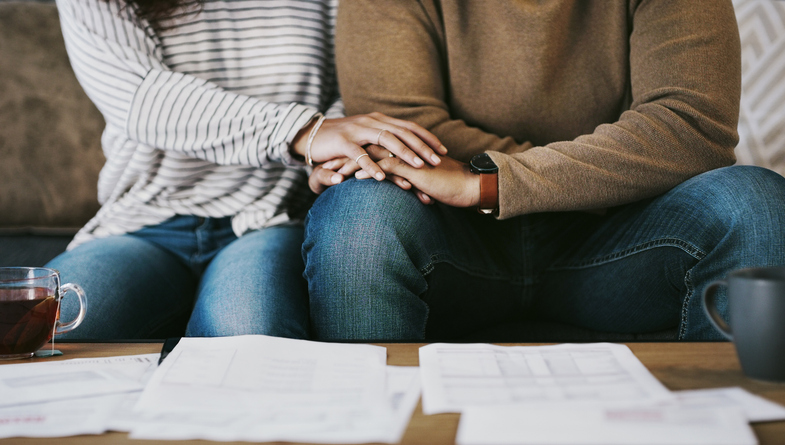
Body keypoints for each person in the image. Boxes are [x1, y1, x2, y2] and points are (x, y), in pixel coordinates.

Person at [302, 0, 785, 341]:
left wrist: (490, 183)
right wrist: (592, 170)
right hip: (449, 238)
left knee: (754, 203)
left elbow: (690, 126)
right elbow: (399, 131)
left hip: (623, 236)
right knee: (357, 215)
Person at [47, 0, 444, 340]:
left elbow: (351, 88)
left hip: (266, 219)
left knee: (249, 338)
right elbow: (141, 99)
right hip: (143, 222)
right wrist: (304, 132)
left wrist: (334, 158)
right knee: (42, 327)